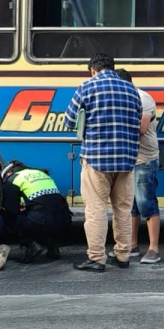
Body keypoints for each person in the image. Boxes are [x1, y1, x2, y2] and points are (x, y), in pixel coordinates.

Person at [63, 53, 141, 272]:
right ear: (113, 68)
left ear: (93, 70)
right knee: (123, 209)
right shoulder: (130, 90)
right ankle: (123, 255)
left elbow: (70, 121)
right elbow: (138, 122)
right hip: (126, 160)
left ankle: (97, 258)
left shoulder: (87, 87)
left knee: (96, 209)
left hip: (96, 159)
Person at [115, 69, 161, 264]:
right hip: (128, 159)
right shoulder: (122, 99)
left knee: (146, 204)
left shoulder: (143, 98)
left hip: (144, 159)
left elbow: (142, 129)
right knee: (131, 206)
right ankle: (132, 245)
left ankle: (154, 249)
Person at [0, 160, 71, 263]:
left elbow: (11, 210)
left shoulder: (13, 179)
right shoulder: (40, 173)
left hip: (43, 221)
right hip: (64, 219)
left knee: (6, 216)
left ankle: (31, 245)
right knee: (46, 212)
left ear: (8, 173)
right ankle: (53, 247)